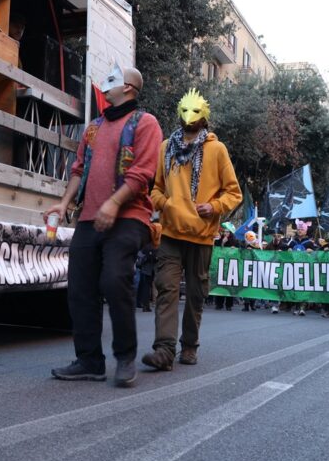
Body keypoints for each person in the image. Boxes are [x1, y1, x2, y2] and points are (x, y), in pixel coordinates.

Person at [47, 65, 161, 387]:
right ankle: (89, 361)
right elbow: (78, 170)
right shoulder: (93, 128)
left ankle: (125, 358)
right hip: (89, 219)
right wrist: (65, 202)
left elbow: (142, 174)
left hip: (129, 218)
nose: (104, 86)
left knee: (114, 280)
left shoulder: (145, 123)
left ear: (127, 88)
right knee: (79, 289)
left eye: (111, 81)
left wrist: (113, 203)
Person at [142, 89, 241, 371]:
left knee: (196, 294)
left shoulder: (216, 149)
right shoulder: (166, 147)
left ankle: (189, 346)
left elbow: (234, 193)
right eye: (185, 113)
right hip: (171, 234)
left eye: (194, 114)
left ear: (204, 116)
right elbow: (156, 188)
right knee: (167, 290)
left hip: (202, 237)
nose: (188, 119)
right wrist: (166, 203)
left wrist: (215, 206)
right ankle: (164, 350)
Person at [136, 244, 157, 312]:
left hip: (146, 269)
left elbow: (139, 254)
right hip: (150, 269)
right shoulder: (152, 246)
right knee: (147, 288)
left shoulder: (145, 246)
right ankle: (146, 306)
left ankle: (145, 305)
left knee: (146, 287)